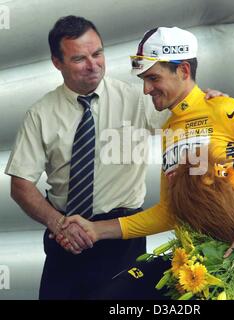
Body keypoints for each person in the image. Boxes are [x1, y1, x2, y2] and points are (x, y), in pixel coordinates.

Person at [59, 27, 234, 298]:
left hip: (225, 267)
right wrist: (96, 229)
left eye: (153, 78)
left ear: (184, 71)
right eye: (143, 79)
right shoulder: (170, 128)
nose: (146, 89)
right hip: (189, 264)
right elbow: (170, 211)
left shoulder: (222, 108)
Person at [5, 17, 222, 300]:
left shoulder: (140, 99)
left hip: (122, 240)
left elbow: (187, 114)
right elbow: (21, 184)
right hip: (64, 237)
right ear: (57, 62)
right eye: (79, 58)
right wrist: (59, 225)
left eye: (97, 54)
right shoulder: (41, 114)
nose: (93, 65)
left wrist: (207, 104)